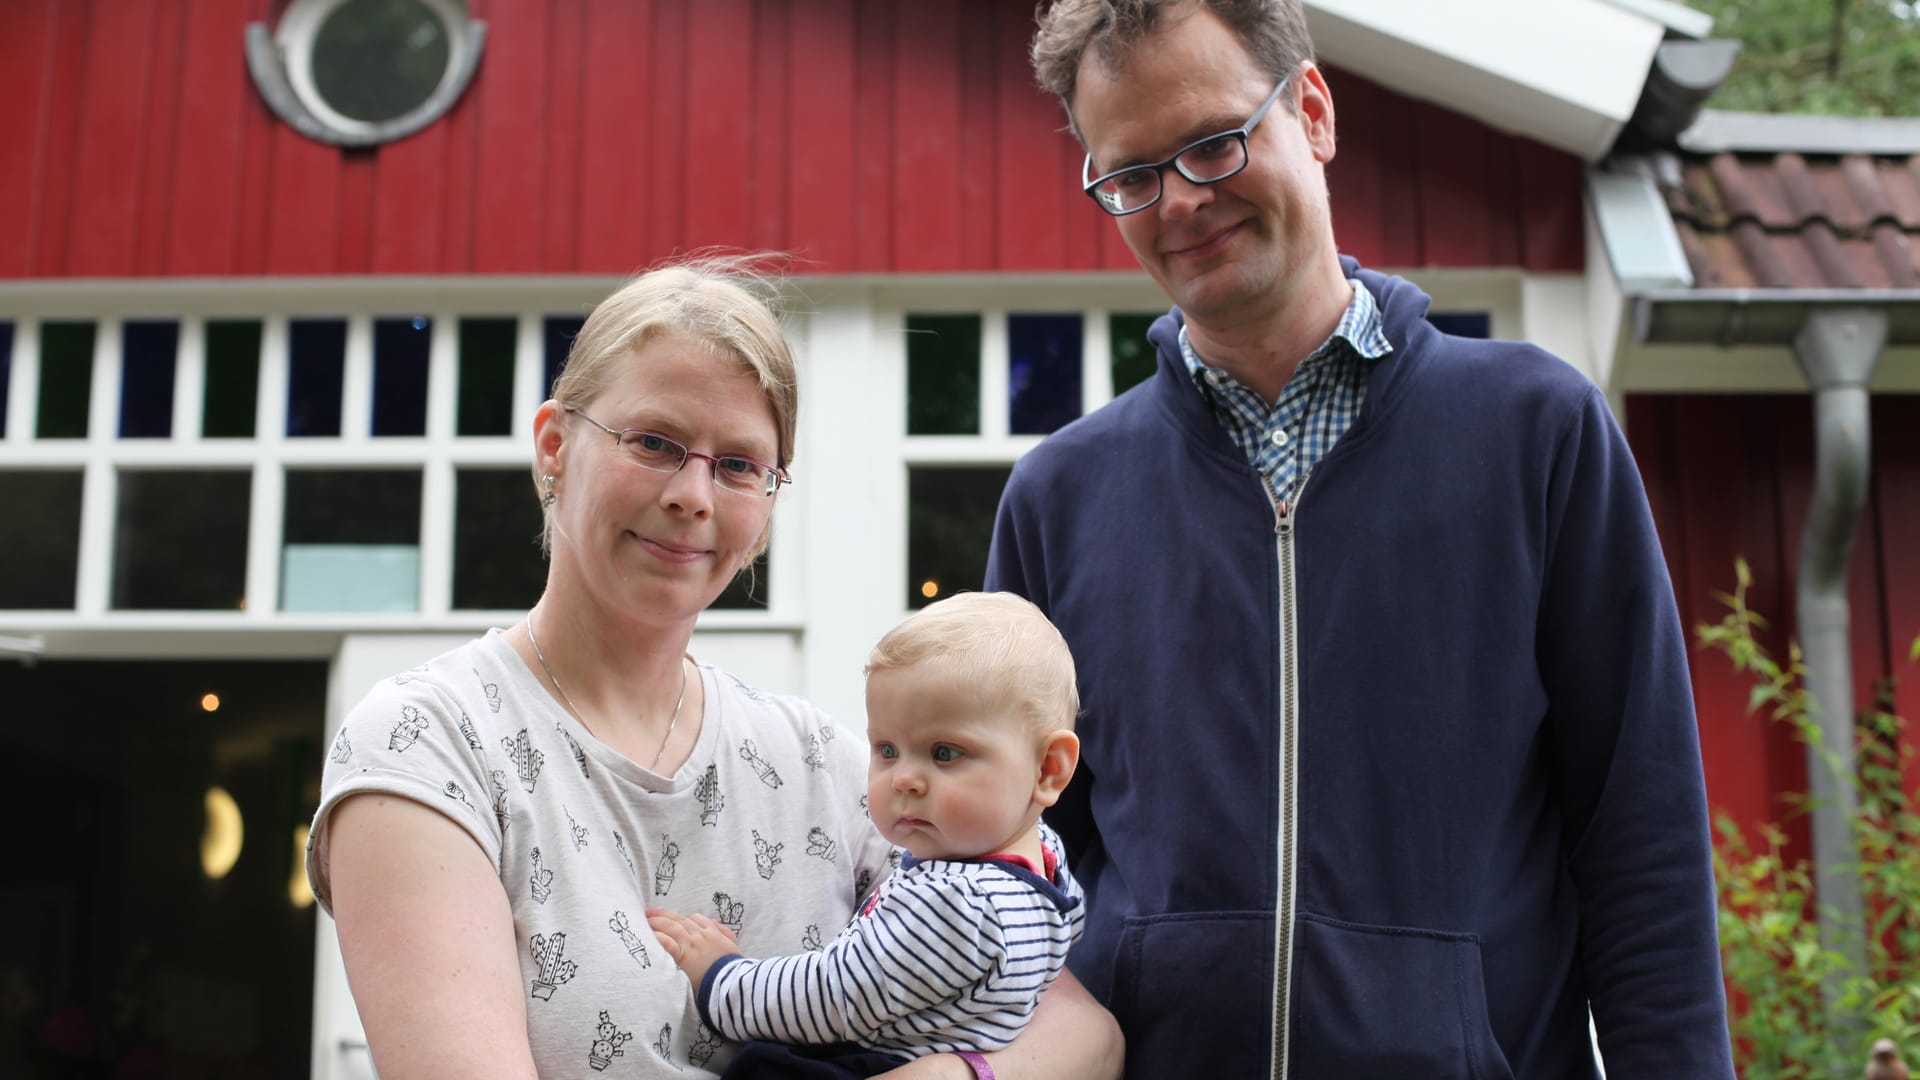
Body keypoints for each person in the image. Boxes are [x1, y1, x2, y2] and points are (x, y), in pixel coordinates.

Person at [984, 1, 1738, 1076]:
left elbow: (1640, 835)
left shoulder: (1537, 432)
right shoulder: (1058, 497)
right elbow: (1016, 865)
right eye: (1133, 174)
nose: (1182, 200)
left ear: (1315, 111)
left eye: (1213, 142)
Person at [306, 259, 1121, 1080]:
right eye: (655, 443)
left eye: (738, 465)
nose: (694, 493)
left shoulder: (830, 765)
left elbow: (1084, 1035)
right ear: (555, 445)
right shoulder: (428, 744)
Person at [647, 592, 1085, 1079]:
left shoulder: (956, 905)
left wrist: (720, 976)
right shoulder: (1050, 867)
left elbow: (831, 996)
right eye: (888, 749)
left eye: (944, 753)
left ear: (1048, 769)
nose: (904, 780)